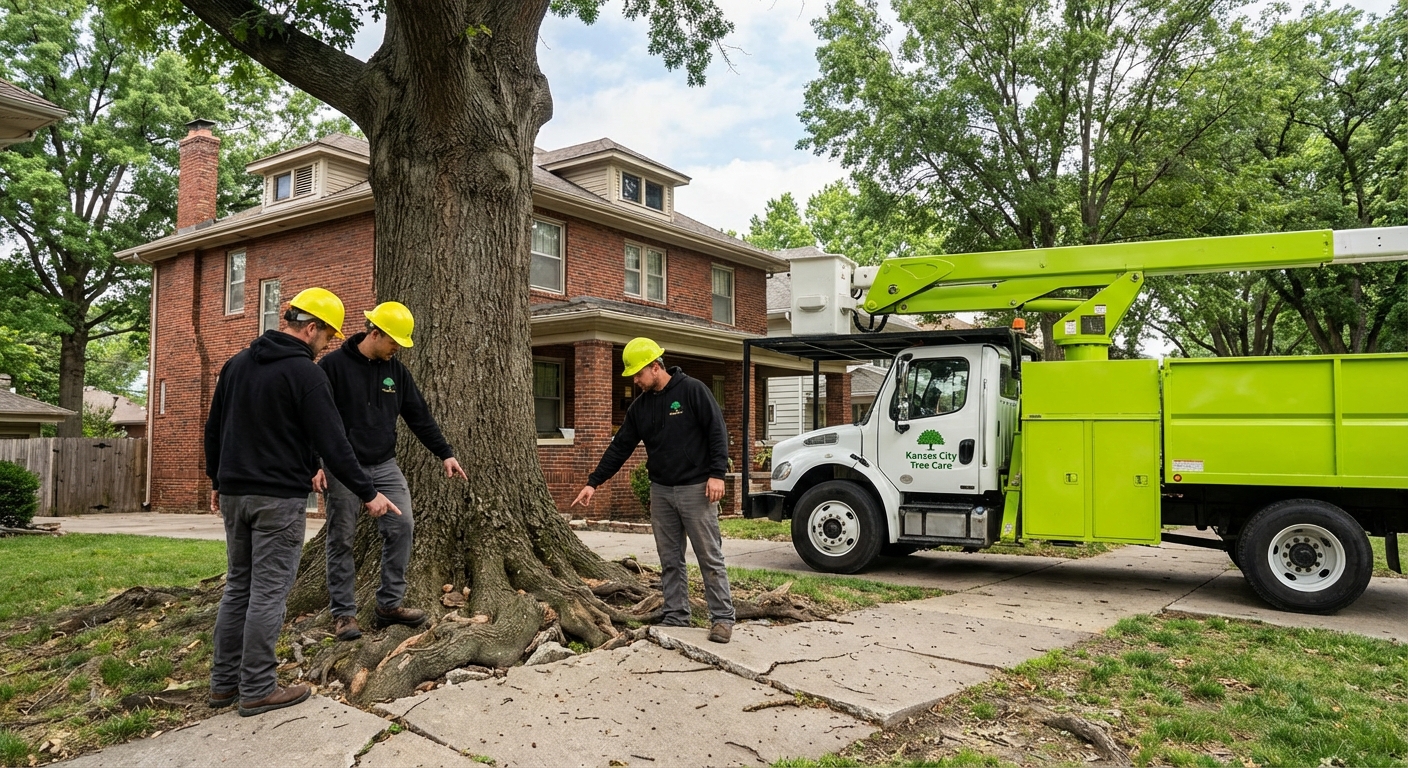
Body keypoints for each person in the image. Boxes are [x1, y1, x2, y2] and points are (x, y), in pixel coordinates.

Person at [205, 287, 400, 718]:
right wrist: (369, 493)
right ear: (311, 328)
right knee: (268, 592)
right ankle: (257, 688)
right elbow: (334, 441)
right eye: (327, 336)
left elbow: (215, 428)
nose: (327, 345)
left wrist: (216, 479)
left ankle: (223, 684)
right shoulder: (305, 373)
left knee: (239, 587)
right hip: (278, 498)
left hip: (235, 494)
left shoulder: (236, 364)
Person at [314, 301, 466, 642]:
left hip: (384, 464)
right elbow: (315, 419)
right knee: (341, 537)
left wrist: (445, 453)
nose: (397, 348)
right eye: (394, 341)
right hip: (343, 466)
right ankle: (344, 613)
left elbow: (419, 416)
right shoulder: (332, 367)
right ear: (375, 333)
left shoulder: (396, 372)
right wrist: (315, 462)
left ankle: (388, 604)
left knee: (402, 526)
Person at [572, 337, 735, 644]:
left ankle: (723, 618)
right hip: (661, 490)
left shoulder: (693, 391)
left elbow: (717, 431)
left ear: (656, 367)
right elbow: (620, 447)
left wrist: (717, 474)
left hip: (696, 488)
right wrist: (594, 482)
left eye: (638, 374)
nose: (635, 381)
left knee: (709, 556)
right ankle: (676, 614)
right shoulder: (640, 407)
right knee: (669, 558)